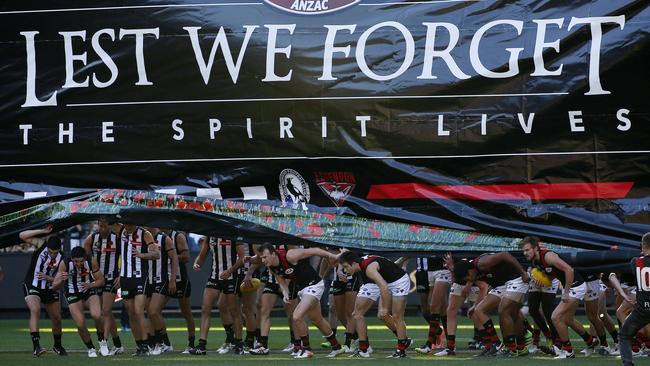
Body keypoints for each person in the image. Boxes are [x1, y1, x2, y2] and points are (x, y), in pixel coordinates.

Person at [249, 244, 345, 358]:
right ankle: (337, 347)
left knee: (297, 316)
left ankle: (306, 349)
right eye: (261, 258)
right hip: (303, 289)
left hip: (314, 285)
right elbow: (280, 280)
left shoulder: (290, 255)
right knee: (317, 320)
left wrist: (331, 256)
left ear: (273, 254)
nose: (263, 260)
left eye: (265, 257)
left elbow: (314, 249)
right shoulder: (272, 266)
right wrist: (285, 293)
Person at [521, 236, 597, 358]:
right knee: (568, 319)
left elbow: (569, 270)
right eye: (523, 251)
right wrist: (544, 281)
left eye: (527, 250)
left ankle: (567, 351)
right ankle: (590, 341)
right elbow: (552, 275)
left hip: (576, 285)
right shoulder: (536, 261)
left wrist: (566, 292)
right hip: (573, 285)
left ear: (535, 248)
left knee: (555, 317)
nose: (525, 253)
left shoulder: (547, 256)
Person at [452, 252, 531, 357]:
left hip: (516, 278)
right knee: (479, 310)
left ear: (469, 271)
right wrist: (475, 304)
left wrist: (523, 273)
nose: (469, 280)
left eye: (468, 277)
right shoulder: (471, 273)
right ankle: (497, 344)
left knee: (504, 311)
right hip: (502, 284)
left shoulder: (482, 263)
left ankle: (512, 348)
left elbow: (505, 255)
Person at [338, 251, 411, 358]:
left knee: (396, 316)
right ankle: (363, 349)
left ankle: (401, 350)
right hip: (379, 281)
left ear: (353, 263)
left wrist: (385, 308)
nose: (345, 270)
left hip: (398, 281)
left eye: (346, 267)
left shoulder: (369, 269)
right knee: (357, 314)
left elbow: (384, 286)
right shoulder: (361, 265)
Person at [191, 237, 245, 355]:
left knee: (233, 310)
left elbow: (242, 258)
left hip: (231, 278)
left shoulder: (233, 234)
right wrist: (196, 264)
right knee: (205, 308)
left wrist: (230, 271)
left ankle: (239, 343)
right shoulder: (210, 235)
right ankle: (202, 344)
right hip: (215, 277)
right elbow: (202, 255)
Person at [20, 226, 67, 357]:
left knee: (57, 318)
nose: (53, 255)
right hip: (32, 284)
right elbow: (22, 235)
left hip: (48, 287)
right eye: (51, 252)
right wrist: (42, 231)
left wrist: (49, 278)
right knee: (35, 310)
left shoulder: (63, 258)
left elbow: (59, 281)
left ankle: (57, 346)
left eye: (55, 252)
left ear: (60, 249)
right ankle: (37, 347)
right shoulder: (41, 244)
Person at [52, 246, 106, 357]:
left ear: (85, 258)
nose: (78, 264)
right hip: (72, 292)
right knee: (80, 324)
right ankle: (91, 348)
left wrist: (90, 285)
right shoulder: (65, 263)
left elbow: (101, 281)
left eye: (81, 261)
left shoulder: (91, 260)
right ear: (71, 259)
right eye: (76, 261)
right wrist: (61, 280)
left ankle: (102, 341)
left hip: (88, 289)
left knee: (97, 315)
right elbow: (54, 287)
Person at [247, 244, 299, 355]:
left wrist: (287, 284)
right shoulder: (267, 239)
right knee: (264, 310)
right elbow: (259, 257)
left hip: (289, 282)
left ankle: (296, 343)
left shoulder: (288, 240)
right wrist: (250, 262)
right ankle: (263, 345)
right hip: (272, 281)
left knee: (294, 314)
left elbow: (295, 259)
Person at [83, 219, 124, 355]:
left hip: (112, 278)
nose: (103, 229)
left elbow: (126, 257)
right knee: (105, 313)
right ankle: (117, 344)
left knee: (106, 311)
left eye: (105, 226)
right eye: (100, 226)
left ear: (110, 225)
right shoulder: (92, 238)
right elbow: (84, 253)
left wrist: (121, 274)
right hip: (97, 279)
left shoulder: (117, 239)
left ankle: (104, 342)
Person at [119, 224, 160, 356]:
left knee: (138, 311)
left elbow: (156, 254)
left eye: (131, 224)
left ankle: (147, 344)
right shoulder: (121, 230)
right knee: (131, 313)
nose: (128, 226)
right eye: (126, 223)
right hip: (125, 279)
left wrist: (141, 255)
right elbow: (107, 221)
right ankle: (140, 345)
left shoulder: (145, 234)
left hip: (140, 278)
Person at [145, 227, 178, 354]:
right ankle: (160, 343)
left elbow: (174, 258)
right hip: (148, 280)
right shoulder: (143, 237)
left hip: (162, 279)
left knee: (153, 311)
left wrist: (173, 280)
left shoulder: (164, 238)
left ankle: (160, 343)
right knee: (152, 313)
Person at [162, 229, 195, 353]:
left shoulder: (178, 236)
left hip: (180, 280)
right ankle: (164, 343)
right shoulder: (156, 236)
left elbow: (186, 257)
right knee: (153, 310)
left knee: (186, 313)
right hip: (165, 279)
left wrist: (169, 256)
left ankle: (191, 344)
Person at [619, 232, 650, 366]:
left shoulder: (635, 262)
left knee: (624, 335)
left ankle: (628, 364)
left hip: (642, 308)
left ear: (643, 246)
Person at [411, 256, 451, 355]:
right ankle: (448, 344)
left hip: (442, 269)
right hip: (429, 270)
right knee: (434, 308)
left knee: (436, 306)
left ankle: (431, 345)